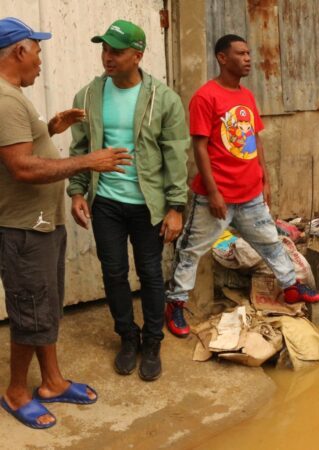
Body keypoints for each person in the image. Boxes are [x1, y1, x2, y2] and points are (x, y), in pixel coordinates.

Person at [0, 17, 132, 429]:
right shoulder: (4, 99)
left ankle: (52, 382)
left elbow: (23, 146)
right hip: (23, 227)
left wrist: (52, 127)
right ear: (19, 50)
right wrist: (90, 161)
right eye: (37, 49)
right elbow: (21, 166)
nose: (40, 59)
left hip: (40, 222)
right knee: (30, 311)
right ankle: (17, 392)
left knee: (47, 306)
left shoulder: (15, 97)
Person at [165, 34, 319, 338]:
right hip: (216, 196)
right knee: (191, 250)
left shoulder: (246, 96)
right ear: (222, 58)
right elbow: (199, 148)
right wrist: (212, 192)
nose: (248, 58)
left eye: (249, 53)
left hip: (250, 194)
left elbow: (255, 139)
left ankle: (291, 288)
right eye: (241, 53)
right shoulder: (205, 97)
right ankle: (174, 305)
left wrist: (264, 179)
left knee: (271, 243)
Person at [68, 20, 189, 381]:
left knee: (151, 274)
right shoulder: (89, 95)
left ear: (137, 55)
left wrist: (175, 207)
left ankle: (152, 340)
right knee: (114, 272)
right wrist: (77, 190)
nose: (108, 57)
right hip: (105, 201)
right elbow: (79, 147)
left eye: (116, 51)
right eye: (104, 49)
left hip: (147, 205)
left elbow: (176, 155)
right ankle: (127, 336)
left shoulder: (163, 99)